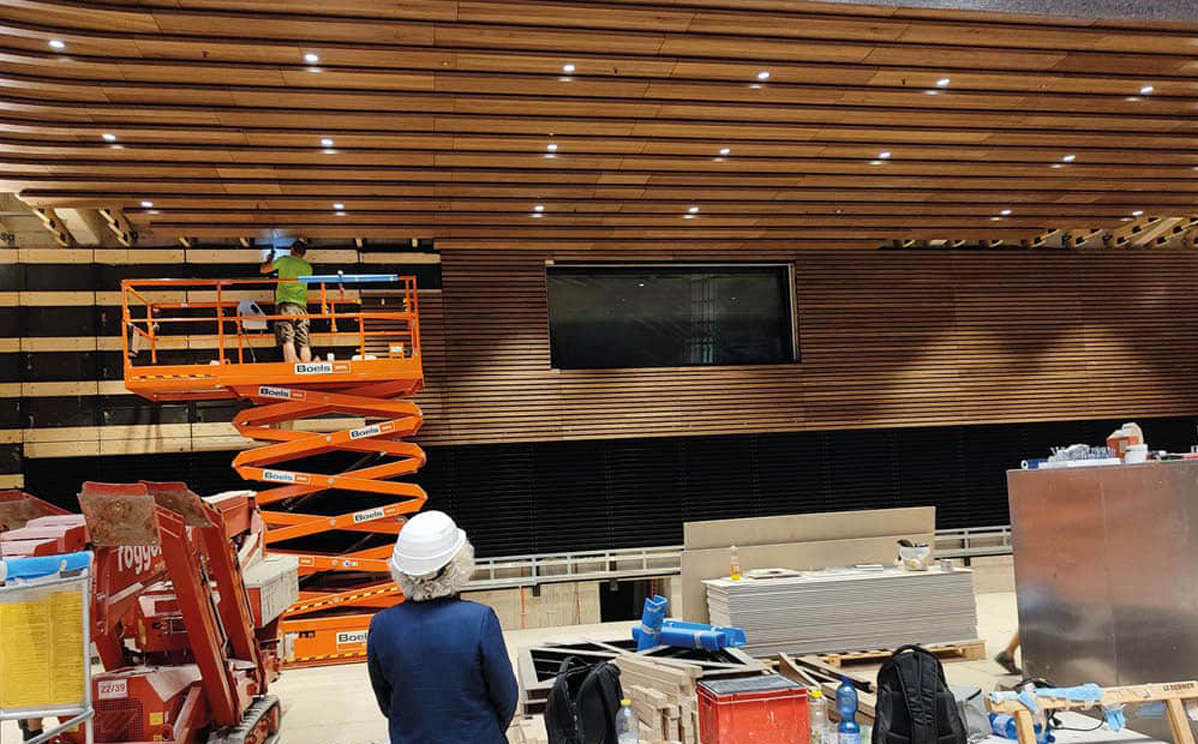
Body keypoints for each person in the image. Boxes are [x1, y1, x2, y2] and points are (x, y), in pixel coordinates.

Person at [368, 511, 518, 744]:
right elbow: (506, 696)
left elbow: (387, 702)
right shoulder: (479, 620)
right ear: (457, 564)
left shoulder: (382, 626)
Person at [259, 243, 313, 363]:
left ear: (292, 250)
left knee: (287, 337)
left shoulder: (285, 260)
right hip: (302, 306)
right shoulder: (308, 267)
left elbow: (263, 270)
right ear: (304, 253)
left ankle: (291, 366)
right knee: (303, 340)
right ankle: (306, 366)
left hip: (286, 304)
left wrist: (269, 258)